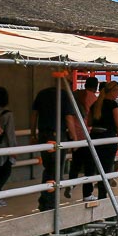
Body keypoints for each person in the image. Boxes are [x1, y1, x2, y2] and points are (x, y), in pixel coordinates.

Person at [32, 81, 74, 211]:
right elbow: (68, 118)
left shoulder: (42, 94)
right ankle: (49, 202)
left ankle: (46, 199)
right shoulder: (64, 95)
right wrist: (74, 137)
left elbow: (34, 114)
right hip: (57, 134)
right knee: (56, 169)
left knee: (49, 167)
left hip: (43, 133)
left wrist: (33, 133)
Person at [86, 81, 118, 201]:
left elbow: (89, 123)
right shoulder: (112, 105)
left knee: (92, 166)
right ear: (113, 91)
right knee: (106, 167)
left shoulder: (95, 104)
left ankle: (87, 193)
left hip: (95, 136)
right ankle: (103, 195)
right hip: (108, 137)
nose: (117, 95)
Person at [64, 77, 100, 200]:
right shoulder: (94, 99)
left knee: (76, 163)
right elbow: (94, 117)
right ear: (96, 87)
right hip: (87, 134)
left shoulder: (74, 95)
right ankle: (87, 194)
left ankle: (70, 184)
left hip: (74, 133)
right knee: (89, 166)